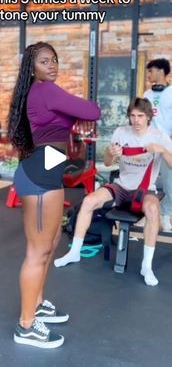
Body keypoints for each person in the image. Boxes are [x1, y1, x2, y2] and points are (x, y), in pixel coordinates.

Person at [7, 41, 101, 349]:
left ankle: (38, 303)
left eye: (54, 60)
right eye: (45, 61)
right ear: (32, 68)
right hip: (38, 179)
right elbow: (93, 110)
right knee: (38, 252)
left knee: (50, 245)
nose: (52, 65)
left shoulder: (41, 94)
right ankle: (26, 325)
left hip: (45, 173)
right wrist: (79, 115)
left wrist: (73, 119)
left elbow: (66, 123)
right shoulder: (46, 90)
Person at [54, 98, 172, 287]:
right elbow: (108, 163)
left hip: (144, 189)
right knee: (89, 201)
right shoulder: (121, 132)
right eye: (132, 116)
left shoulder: (159, 136)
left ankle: (146, 266)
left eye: (140, 116)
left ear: (148, 116)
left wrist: (162, 150)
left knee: (152, 209)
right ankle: (74, 252)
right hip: (122, 186)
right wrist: (111, 152)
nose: (136, 120)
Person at [144, 58, 172, 232]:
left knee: (170, 183)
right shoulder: (147, 95)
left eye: (151, 71)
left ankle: (165, 214)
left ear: (161, 71)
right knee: (146, 181)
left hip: (168, 144)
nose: (149, 74)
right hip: (149, 143)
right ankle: (144, 215)